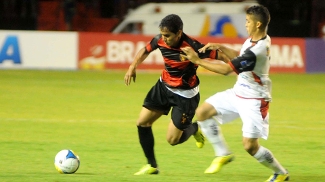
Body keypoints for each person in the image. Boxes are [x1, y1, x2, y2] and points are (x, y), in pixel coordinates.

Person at [180, 5, 289, 182]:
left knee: (250, 146)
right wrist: (221, 47)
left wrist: (197, 60)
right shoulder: (256, 40)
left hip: (254, 99)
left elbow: (225, 70)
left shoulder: (258, 49)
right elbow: (240, 56)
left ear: (258, 24)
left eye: (248, 21)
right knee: (202, 113)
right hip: (239, 92)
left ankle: (281, 173)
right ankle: (222, 153)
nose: (245, 24)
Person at [124, 14, 229, 175]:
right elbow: (146, 50)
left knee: (173, 140)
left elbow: (220, 55)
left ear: (179, 33)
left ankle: (194, 128)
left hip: (185, 96)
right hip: (163, 87)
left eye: (168, 36)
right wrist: (133, 66)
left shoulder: (193, 46)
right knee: (142, 123)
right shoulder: (159, 39)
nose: (164, 39)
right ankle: (151, 165)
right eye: (163, 35)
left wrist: (236, 65)